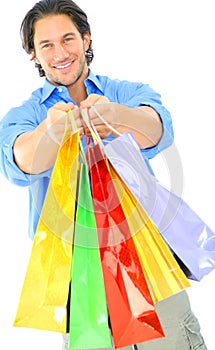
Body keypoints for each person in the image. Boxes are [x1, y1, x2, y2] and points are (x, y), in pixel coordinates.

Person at [0, 0, 208, 349]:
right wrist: (50, 131)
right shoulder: (27, 114)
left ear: (86, 39)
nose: (60, 52)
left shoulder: (122, 92)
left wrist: (117, 115)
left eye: (68, 39)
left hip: (150, 257)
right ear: (33, 55)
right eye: (46, 45)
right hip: (77, 272)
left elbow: (158, 131)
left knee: (172, 341)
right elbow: (22, 161)